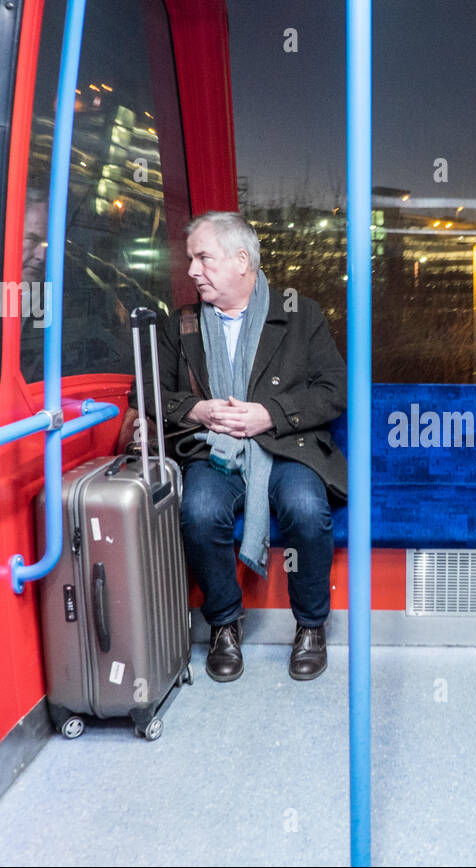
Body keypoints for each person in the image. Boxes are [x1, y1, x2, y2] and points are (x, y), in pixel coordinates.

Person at [130, 211, 347, 682]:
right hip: (214, 448)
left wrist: (269, 414)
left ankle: (310, 625)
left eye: (203, 258)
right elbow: (144, 393)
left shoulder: (300, 313)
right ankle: (225, 624)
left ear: (241, 261)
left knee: (307, 509)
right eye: (191, 259)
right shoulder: (181, 325)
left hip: (289, 445)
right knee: (200, 511)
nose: (192, 270)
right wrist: (198, 411)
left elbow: (334, 391)